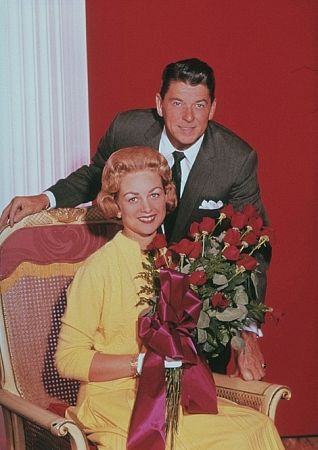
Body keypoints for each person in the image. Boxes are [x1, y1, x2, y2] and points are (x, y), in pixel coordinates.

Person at [1, 58, 268, 376]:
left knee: (203, 404)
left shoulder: (235, 159)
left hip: (196, 304)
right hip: (130, 292)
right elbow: (95, 175)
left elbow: (251, 248)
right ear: (159, 103)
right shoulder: (127, 129)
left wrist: (247, 331)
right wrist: (45, 198)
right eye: (177, 103)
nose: (187, 117)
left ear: (212, 108)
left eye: (199, 105)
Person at [55, 146, 283, 450]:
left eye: (154, 194)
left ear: (167, 196)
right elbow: (68, 359)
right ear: (116, 205)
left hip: (170, 393)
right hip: (112, 400)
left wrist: (240, 342)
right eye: (132, 198)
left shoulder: (175, 260)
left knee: (256, 427)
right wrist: (141, 363)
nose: (146, 206)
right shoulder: (98, 269)